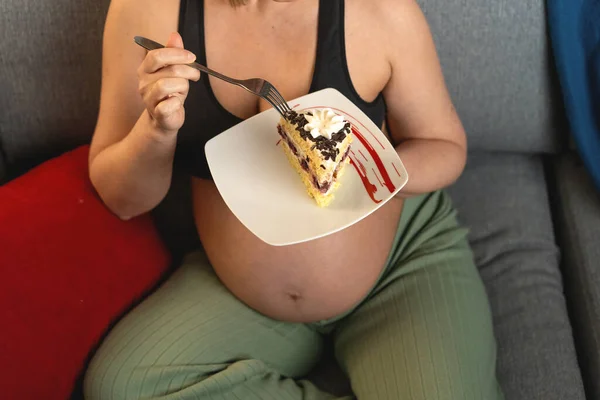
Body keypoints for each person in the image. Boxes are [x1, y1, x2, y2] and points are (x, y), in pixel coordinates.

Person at [83, 0, 504, 398]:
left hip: (401, 264)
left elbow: (444, 145)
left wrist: (355, 172)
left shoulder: (381, 11)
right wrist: (155, 131)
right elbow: (124, 201)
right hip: (240, 292)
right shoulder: (148, 10)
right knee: (123, 387)